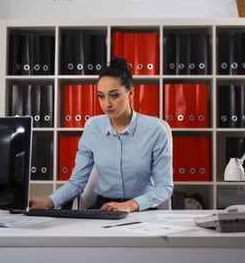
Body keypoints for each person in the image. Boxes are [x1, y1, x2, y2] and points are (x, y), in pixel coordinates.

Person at [29, 57, 173, 212]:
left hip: (141, 209)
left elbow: (164, 186)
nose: (107, 104)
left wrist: (130, 205)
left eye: (114, 95)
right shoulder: (93, 129)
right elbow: (77, 182)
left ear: (130, 93)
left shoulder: (156, 130)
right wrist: (46, 202)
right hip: (104, 208)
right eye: (101, 96)